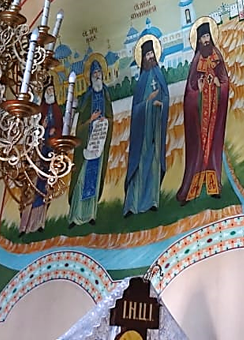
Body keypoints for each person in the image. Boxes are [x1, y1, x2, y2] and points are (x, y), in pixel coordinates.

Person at [177, 21, 231, 205]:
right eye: (202, 38)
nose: (205, 40)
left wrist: (218, 84)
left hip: (214, 111)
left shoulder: (217, 56)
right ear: (198, 41)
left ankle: (214, 186)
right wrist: (197, 89)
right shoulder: (196, 60)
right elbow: (190, 89)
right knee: (198, 149)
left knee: (213, 146)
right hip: (200, 115)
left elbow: (225, 81)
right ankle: (193, 189)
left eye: (207, 36)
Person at [124, 38, 169, 217]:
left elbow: (166, 98)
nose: (150, 57)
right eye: (147, 55)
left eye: (151, 53)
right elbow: (135, 110)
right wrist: (149, 103)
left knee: (154, 163)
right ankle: (133, 204)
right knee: (141, 166)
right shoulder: (141, 82)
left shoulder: (160, 76)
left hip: (156, 129)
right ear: (142, 59)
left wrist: (161, 104)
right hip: (142, 134)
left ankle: (152, 201)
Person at [68, 58, 113, 226]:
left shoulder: (106, 95)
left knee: (94, 179)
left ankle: (91, 215)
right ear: (90, 76)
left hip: (99, 145)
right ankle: (75, 216)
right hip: (86, 146)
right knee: (81, 180)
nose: (97, 75)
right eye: (94, 73)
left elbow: (111, 119)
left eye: (99, 72)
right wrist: (91, 121)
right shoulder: (87, 98)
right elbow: (79, 127)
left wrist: (105, 122)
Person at [18, 81, 63, 234]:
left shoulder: (56, 111)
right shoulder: (40, 110)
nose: (50, 93)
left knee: (44, 188)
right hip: (37, 152)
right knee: (31, 186)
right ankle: (24, 224)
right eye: (48, 90)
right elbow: (32, 131)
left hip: (49, 154)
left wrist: (53, 132)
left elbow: (60, 129)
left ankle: (38, 223)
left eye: (52, 90)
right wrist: (42, 128)